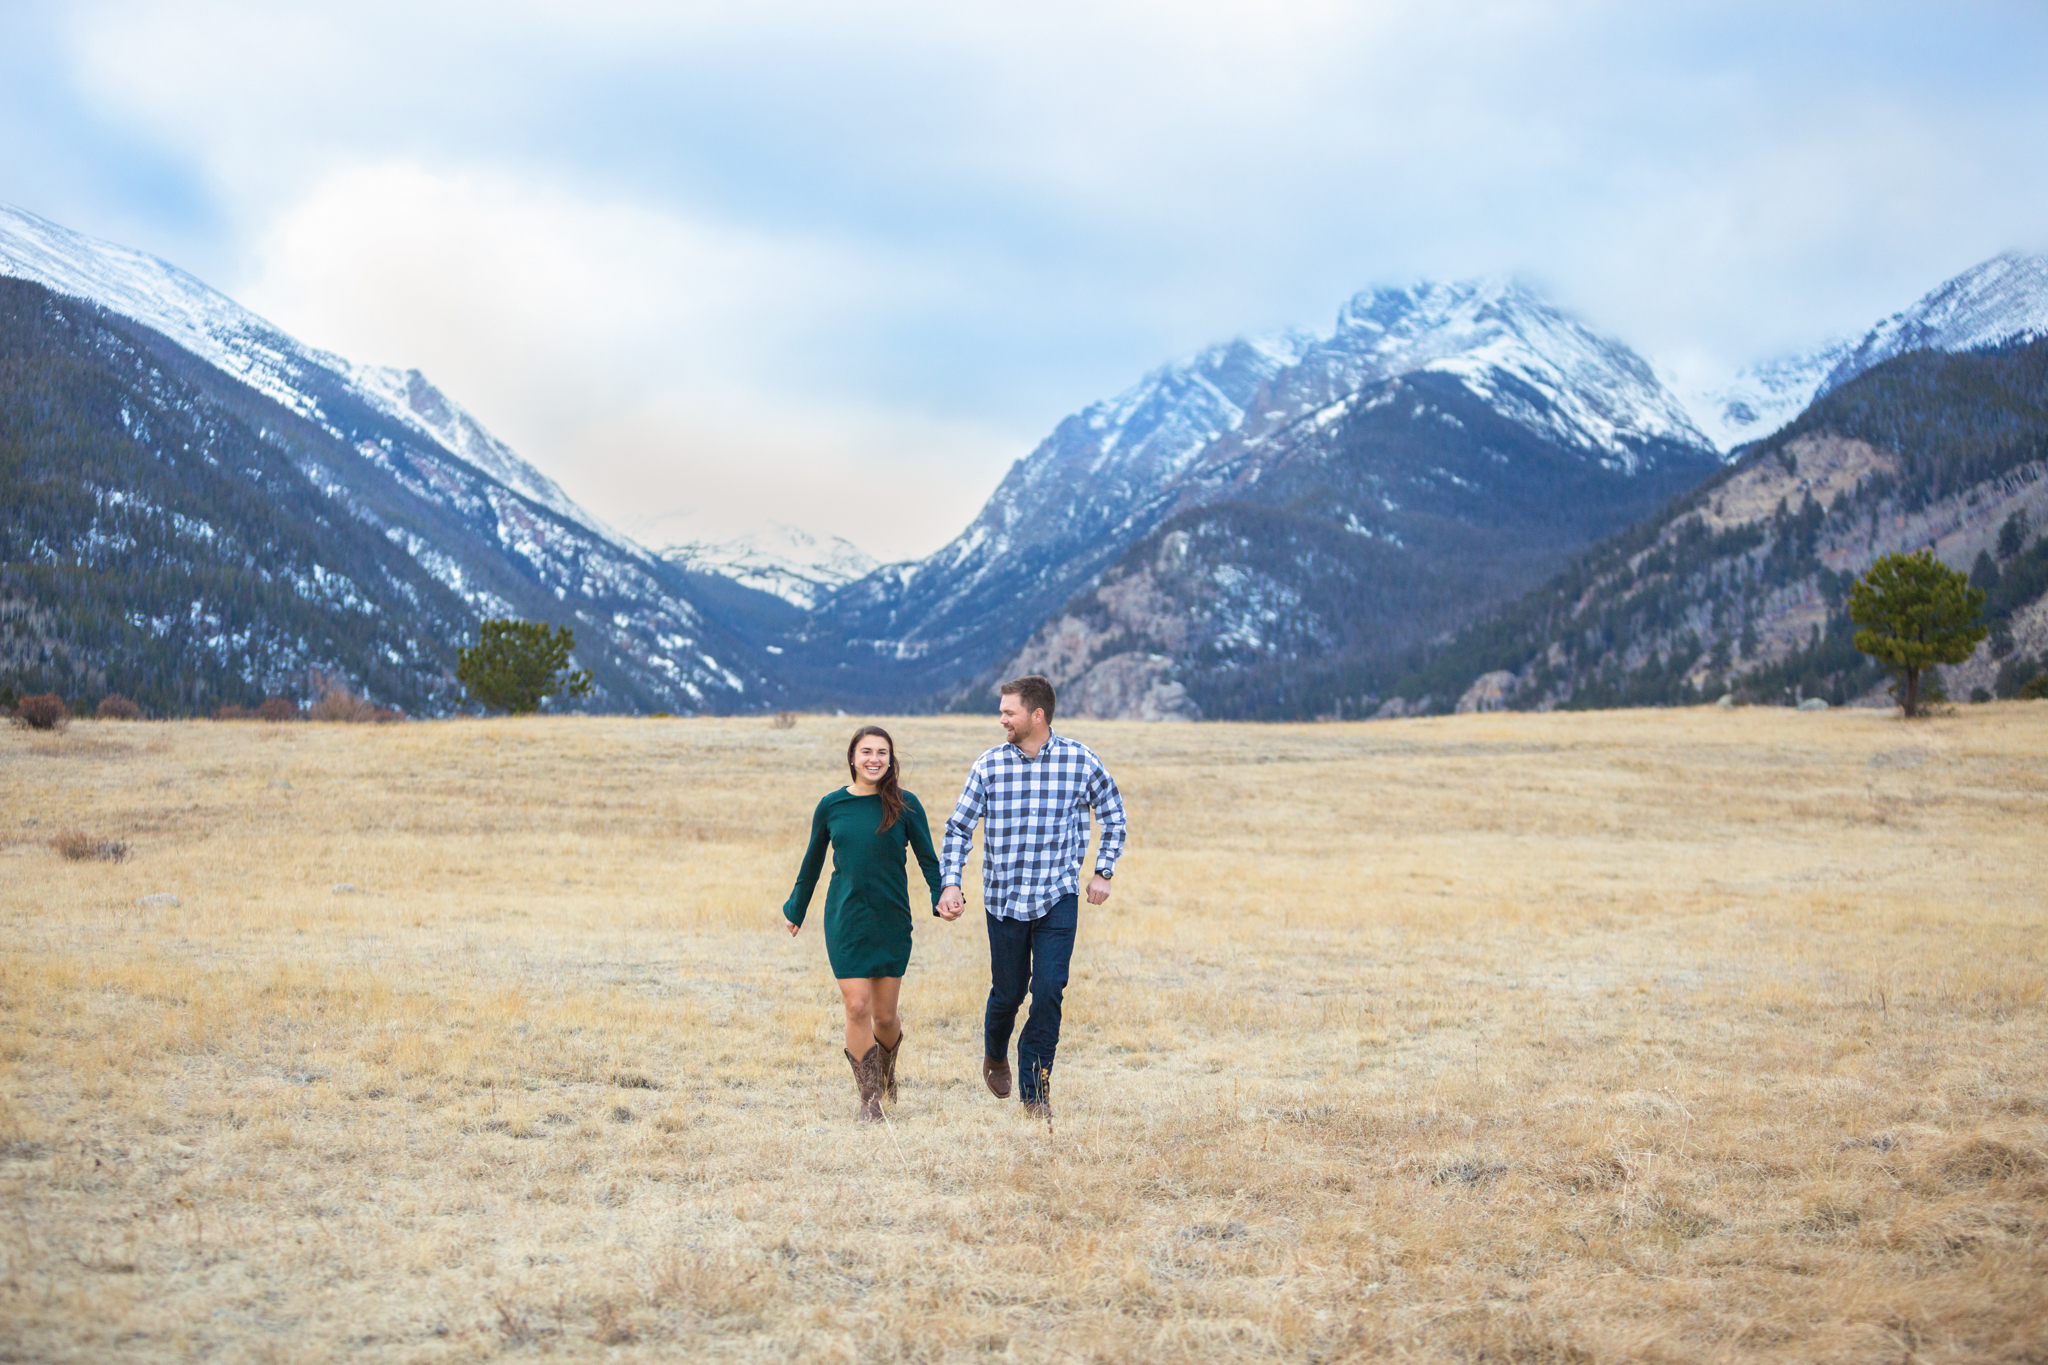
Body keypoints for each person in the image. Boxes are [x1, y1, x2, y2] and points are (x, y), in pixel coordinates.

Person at [936, 675, 1127, 1118]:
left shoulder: (1080, 761)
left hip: (1057, 896)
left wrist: (1102, 870)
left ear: (1036, 715)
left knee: (1048, 990)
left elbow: (1114, 815)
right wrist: (951, 883)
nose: (1001, 718)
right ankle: (995, 1052)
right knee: (1008, 993)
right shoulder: (988, 766)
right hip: (1004, 899)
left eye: (1009, 711)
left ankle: (1035, 1094)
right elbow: (959, 828)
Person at [784, 725, 945, 1122]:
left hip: (891, 918)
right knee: (857, 1006)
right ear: (853, 758)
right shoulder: (832, 806)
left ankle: (888, 1076)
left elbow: (928, 860)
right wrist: (796, 908)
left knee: (884, 1017)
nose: (874, 759)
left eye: (882, 753)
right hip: (846, 917)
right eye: (867, 752)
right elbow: (812, 861)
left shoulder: (906, 806)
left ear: (891, 760)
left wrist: (942, 895)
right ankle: (869, 1098)